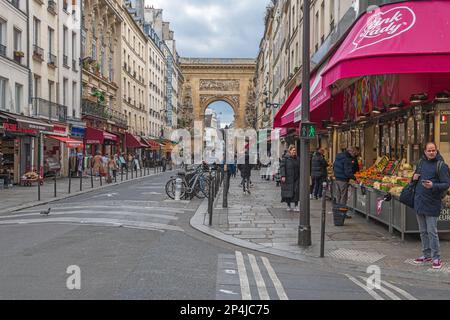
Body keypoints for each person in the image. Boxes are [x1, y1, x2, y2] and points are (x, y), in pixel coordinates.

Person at [412, 142, 449, 270]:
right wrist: (414, 177)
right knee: (423, 231)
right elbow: (414, 180)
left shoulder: (441, 165)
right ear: (425, 151)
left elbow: (446, 184)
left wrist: (433, 185)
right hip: (419, 201)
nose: (431, 152)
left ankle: (436, 257)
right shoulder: (421, 164)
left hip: (432, 202)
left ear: (436, 151)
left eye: (433, 150)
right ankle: (426, 254)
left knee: (432, 231)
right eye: (429, 150)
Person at [280, 145, 300, 212]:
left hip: (296, 178)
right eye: (293, 150)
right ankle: (288, 205)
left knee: (296, 192)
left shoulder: (297, 158)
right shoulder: (285, 159)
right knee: (288, 192)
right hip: (288, 178)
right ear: (290, 151)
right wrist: (283, 176)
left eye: (295, 150)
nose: (294, 152)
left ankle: (296, 206)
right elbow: (282, 167)